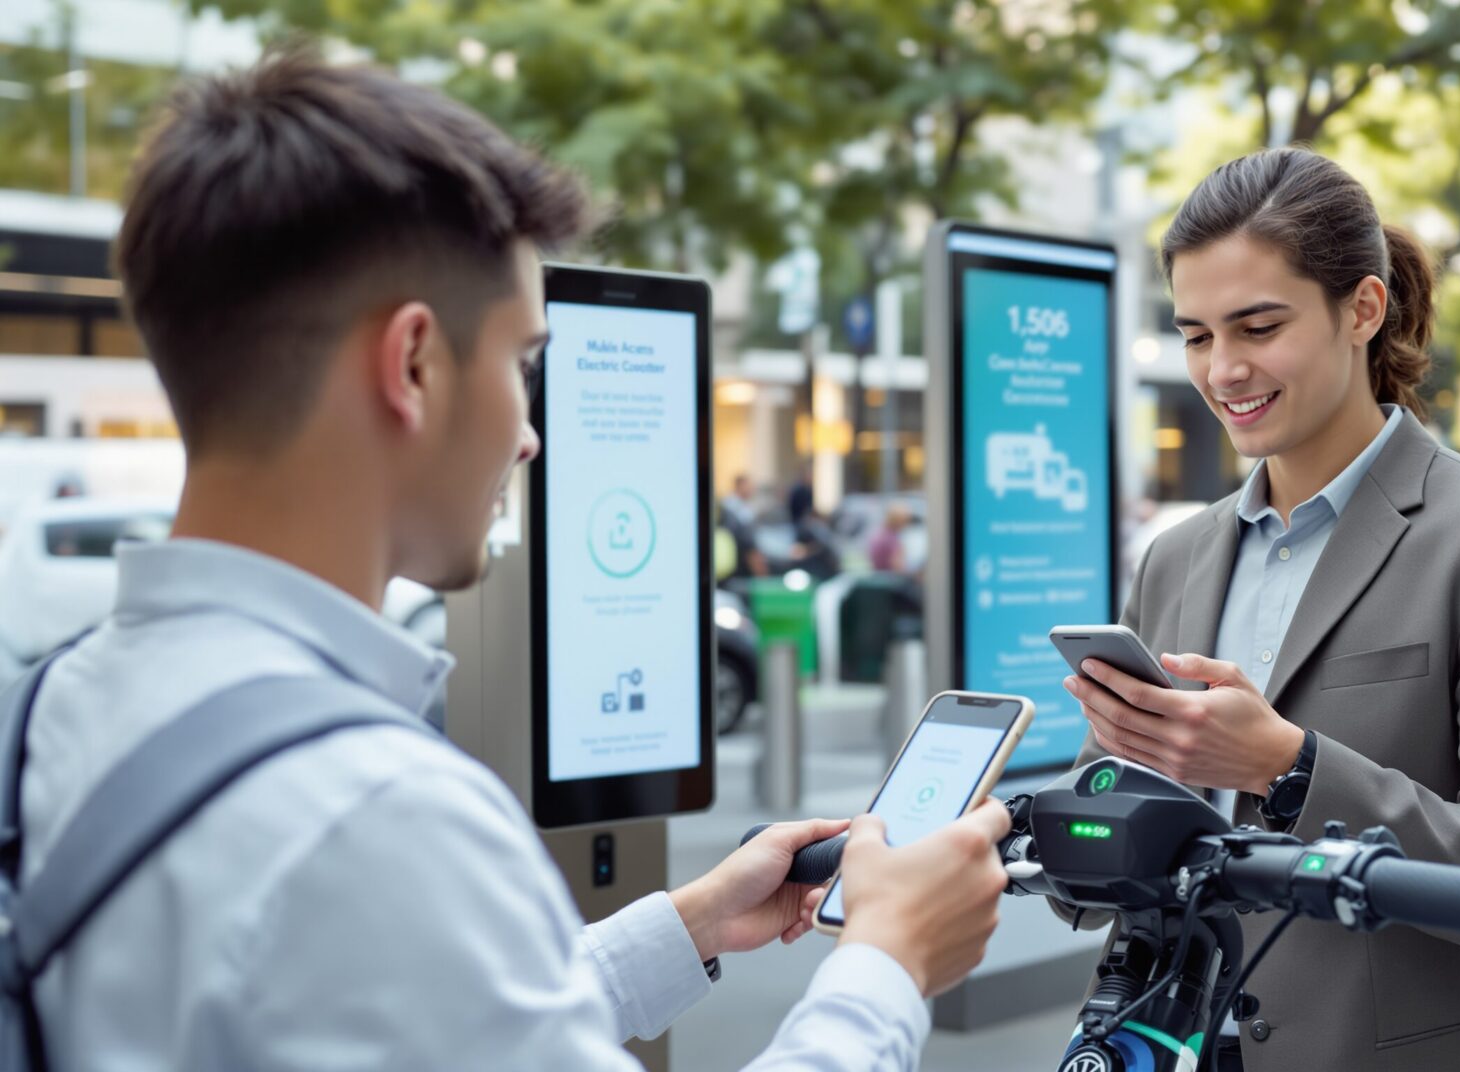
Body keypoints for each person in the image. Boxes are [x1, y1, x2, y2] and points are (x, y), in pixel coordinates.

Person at [19, 51, 1011, 1070]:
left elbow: (412, 1012)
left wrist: (691, 923)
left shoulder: (47, 717)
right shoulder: (385, 807)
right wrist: (888, 963)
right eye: (522, 362)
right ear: (412, 362)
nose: (529, 434)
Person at [1056, 148, 1460, 1071]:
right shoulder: (1176, 558)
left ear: (1363, 308)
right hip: (1165, 1042)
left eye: (1258, 327)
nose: (1223, 370)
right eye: (1196, 335)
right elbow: (1090, 886)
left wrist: (1290, 766)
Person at [867, 502, 913, 573]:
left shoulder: (879, 534)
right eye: (906, 520)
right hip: (890, 580)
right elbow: (898, 567)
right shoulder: (891, 540)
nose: (907, 524)